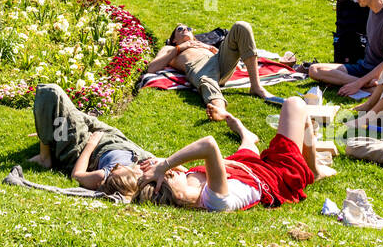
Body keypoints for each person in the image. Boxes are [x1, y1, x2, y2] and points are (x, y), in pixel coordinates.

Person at [133, 100, 327, 211]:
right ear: (175, 195)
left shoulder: (188, 185)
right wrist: (164, 165)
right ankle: (314, 170)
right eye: (167, 178)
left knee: (247, 147)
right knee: (295, 105)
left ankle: (243, 132)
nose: (169, 173)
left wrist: (158, 167)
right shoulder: (215, 200)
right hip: (279, 173)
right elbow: (208, 144)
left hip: (244, 167)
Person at [29, 83, 154, 199]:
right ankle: (51, 131)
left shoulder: (102, 177)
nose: (119, 165)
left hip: (86, 144)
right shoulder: (140, 177)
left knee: (50, 92)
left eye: (115, 168)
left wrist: (91, 145)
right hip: (114, 138)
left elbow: (76, 175)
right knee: (73, 115)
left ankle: (44, 158)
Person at [143, 21, 280, 120]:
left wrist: (212, 49)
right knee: (206, 81)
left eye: (188, 28)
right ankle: (219, 109)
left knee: (241, 26)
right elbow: (152, 68)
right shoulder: (170, 49)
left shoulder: (203, 44)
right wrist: (180, 48)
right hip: (199, 67)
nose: (185, 29)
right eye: (180, 29)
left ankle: (256, 86)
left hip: (219, 61)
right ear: (173, 39)